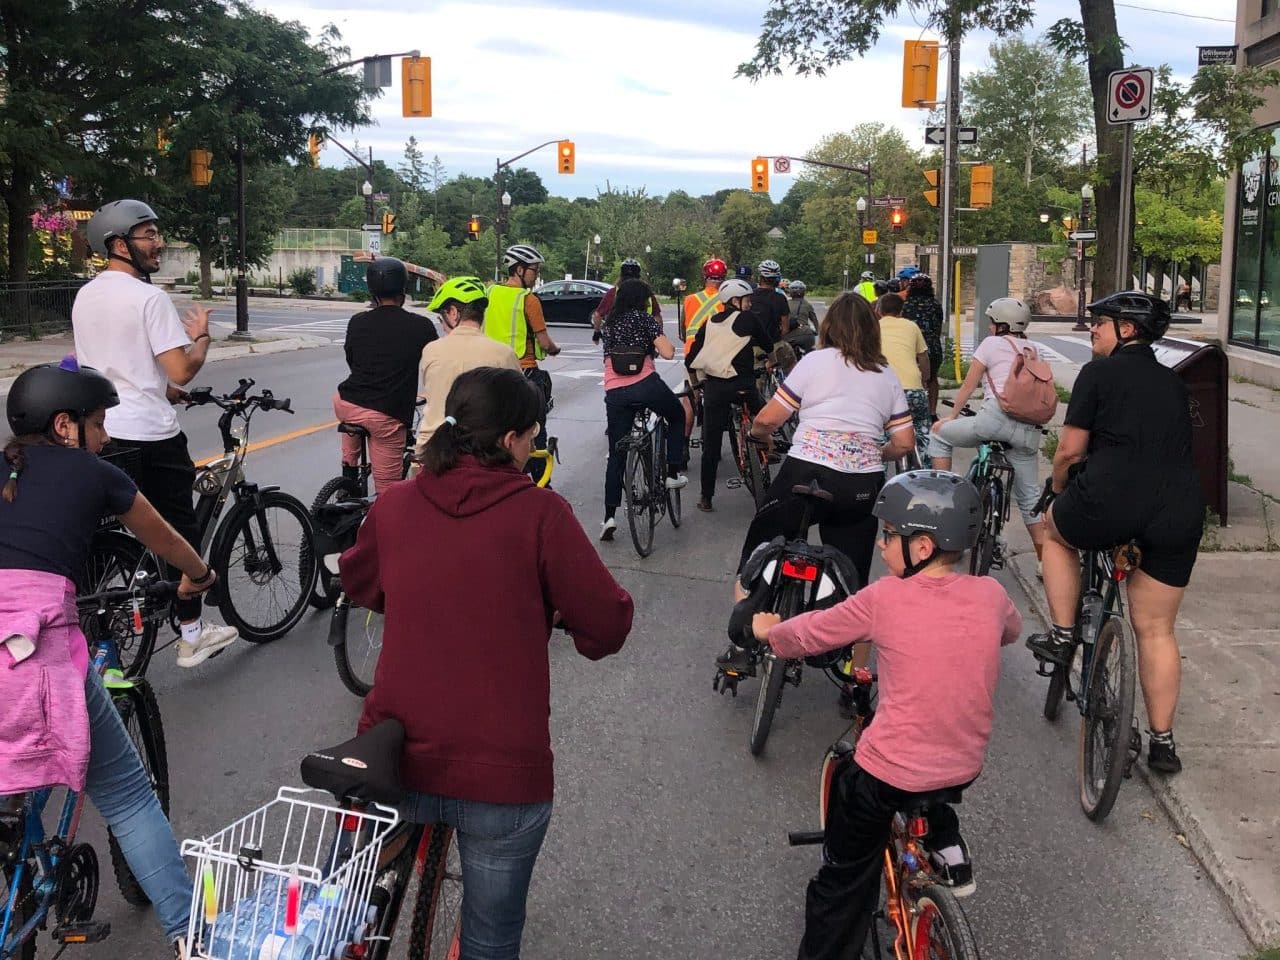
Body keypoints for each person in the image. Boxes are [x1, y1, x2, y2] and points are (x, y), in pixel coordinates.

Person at [339, 366, 633, 958]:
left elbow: (361, 581)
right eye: (532, 436)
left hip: (394, 755)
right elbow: (607, 625)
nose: (533, 447)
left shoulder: (396, 506)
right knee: (490, 940)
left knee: (339, 916)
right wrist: (549, 609)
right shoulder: (541, 514)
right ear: (509, 439)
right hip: (503, 776)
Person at [0, 359, 220, 960]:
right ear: (64, 425)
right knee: (127, 796)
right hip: (35, 651)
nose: (105, 437)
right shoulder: (93, 473)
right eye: (98, 424)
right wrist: (198, 575)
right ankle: (191, 936)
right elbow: (164, 538)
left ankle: (21, 860)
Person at [752, 470, 1021, 960]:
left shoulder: (884, 598)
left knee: (843, 879)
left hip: (888, 773)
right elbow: (1010, 632)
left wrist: (769, 631)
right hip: (965, 764)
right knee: (929, 769)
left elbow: (812, 633)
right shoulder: (992, 594)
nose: (880, 545)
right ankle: (947, 847)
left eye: (890, 535)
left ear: (922, 547)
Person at [1026, 291, 1202, 775]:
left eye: (1100, 323)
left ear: (1126, 329)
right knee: (1157, 629)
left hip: (1109, 500)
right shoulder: (1174, 383)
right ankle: (1162, 743)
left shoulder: (1097, 374)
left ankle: (1062, 634)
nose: (1092, 330)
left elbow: (1069, 451)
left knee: (1054, 531)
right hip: (1178, 511)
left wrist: (1057, 491)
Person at [72, 198, 237, 668]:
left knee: (112, 528)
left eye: (156, 233)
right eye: (148, 235)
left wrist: (162, 389)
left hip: (103, 431)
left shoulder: (86, 296)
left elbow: (113, 367)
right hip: (151, 436)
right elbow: (182, 368)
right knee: (178, 533)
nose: (158, 243)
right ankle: (191, 632)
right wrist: (202, 337)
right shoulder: (149, 298)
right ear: (119, 244)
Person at [718, 292, 914, 673]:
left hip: (804, 474)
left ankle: (744, 641)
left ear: (828, 329)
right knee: (853, 584)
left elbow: (768, 419)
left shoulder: (813, 362)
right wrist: (875, 452)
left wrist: (759, 436)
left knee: (758, 551)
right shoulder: (886, 374)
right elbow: (904, 443)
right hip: (859, 487)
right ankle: (853, 675)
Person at [929, 298, 1045, 560]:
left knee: (938, 435)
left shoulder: (991, 344)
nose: (990, 327)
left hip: (993, 420)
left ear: (1001, 325)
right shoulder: (1033, 349)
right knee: (1029, 498)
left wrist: (951, 417)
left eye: (992, 323)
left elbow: (969, 385)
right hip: (1028, 429)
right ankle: (1044, 561)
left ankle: (943, 500)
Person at [333, 257, 438, 494]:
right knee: (388, 492)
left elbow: (352, 360)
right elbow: (435, 363)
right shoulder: (421, 326)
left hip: (346, 402)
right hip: (386, 412)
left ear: (373, 292)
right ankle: (381, 505)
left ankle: (348, 477)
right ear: (403, 290)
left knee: (354, 418)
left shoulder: (357, 321)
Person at [599, 279, 690, 541]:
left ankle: (609, 517)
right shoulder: (644, 319)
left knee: (617, 452)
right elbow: (669, 353)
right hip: (646, 385)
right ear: (643, 300)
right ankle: (672, 473)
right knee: (676, 415)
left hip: (615, 391)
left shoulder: (610, 323)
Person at [685, 279, 774, 512]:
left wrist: (697, 384)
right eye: (747, 300)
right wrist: (770, 362)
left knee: (711, 445)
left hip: (716, 389)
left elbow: (690, 360)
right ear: (735, 300)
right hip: (744, 385)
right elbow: (767, 344)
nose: (749, 304)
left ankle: (706, 498)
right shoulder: (749, 319)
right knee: (765, 416)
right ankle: (768, 447)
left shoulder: (708, 323)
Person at [413, 276, 519, 456]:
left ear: (453, 313)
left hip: (432, 451)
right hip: (484, 454)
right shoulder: (504, 354)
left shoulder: (432, 350)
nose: (442, 325)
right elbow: (518, 405)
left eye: (441, 318)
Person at [484, 244, 561, 474]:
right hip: (524, 372)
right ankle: (540, 483)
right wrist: (555, 350)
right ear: (519, 269)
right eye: (534, 270)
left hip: (492, 373)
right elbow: (544, 343)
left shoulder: (489, 293)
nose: (536, 275)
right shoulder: (528, 300)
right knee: (535, 432)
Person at [876, 293, 931, 466]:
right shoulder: (912, 326)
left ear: (879, 311)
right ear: (901, 311)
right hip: (913, 389)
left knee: (880, 436)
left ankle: (879, 472)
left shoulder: (873, 328)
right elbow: (923, 357)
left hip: (884, 391)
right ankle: (926, 466)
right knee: (922, 427)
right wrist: (925, 379)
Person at [901, 272, 944, 416]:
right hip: (932, 346)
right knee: (932, 378)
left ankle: (909, 411)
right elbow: (938, 327)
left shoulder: (905, 305)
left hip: (911, 347)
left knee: (909, 378)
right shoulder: (936, 305)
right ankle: (932, 412)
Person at [591, 258, 663, 327]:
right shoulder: (647, 293)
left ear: (621, 275)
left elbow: (597, 315)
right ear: (638, 276)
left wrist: (597, 332)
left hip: (617, 333)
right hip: (643, 332)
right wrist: (659, 333)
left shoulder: (613, 292)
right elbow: (658, 318)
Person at [682, 258, 727, 350]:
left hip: (691, 352)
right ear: (724, 278)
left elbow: (683, 331)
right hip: (718, 352)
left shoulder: (689, 300)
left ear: (704, 277)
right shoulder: (727, 300)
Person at [752, 259, 790, 341]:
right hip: (773, 343)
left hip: (752, 343)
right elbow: (785, 329)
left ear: (760, 277)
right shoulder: (781, 298)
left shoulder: (749, 295)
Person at [784, 280, 818, 354]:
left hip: (790, 335)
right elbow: (814, 320)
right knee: (810, 353)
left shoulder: (786, 303)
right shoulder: (807, 304)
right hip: (807, 334)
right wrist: (817, 331)